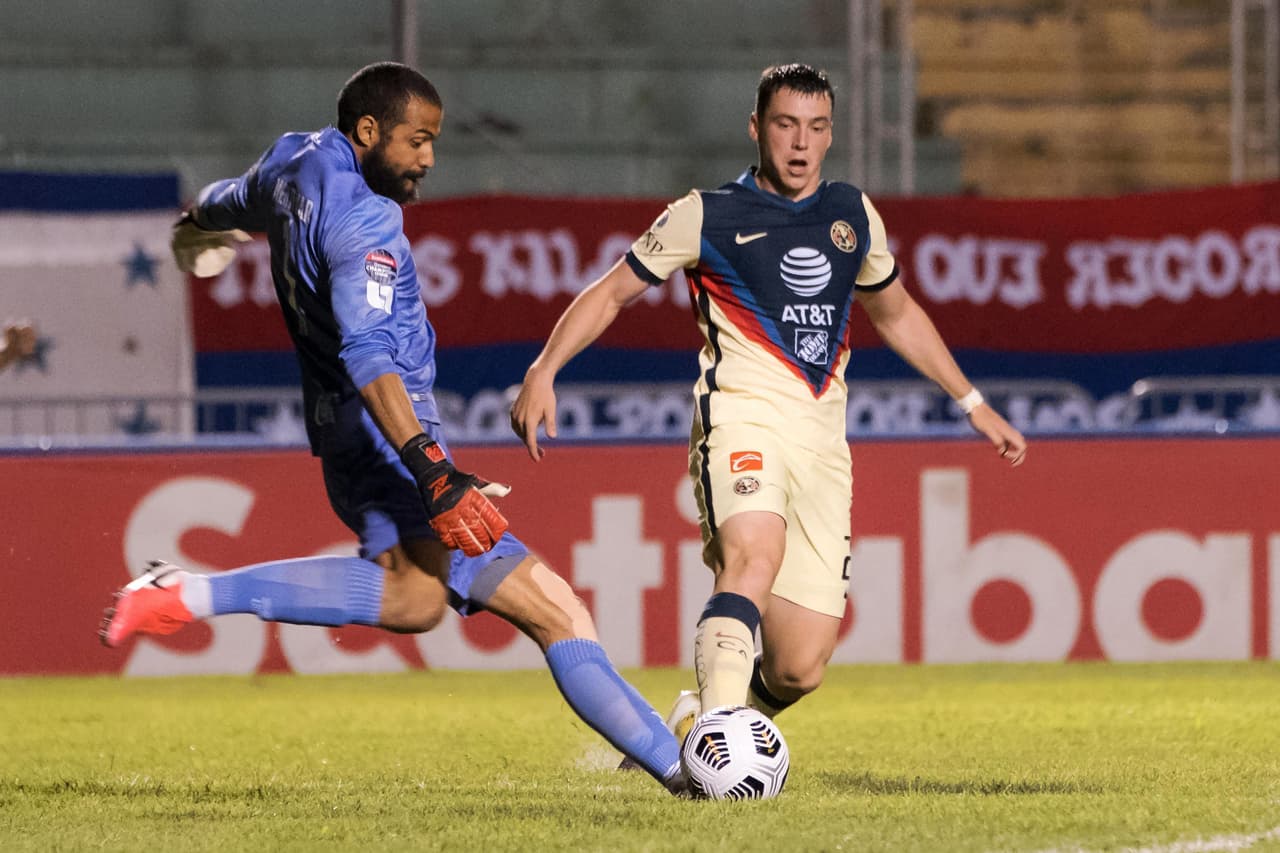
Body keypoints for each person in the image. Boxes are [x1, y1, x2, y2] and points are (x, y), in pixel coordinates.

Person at [99, 61, 685, 795]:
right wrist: (432, 468)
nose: (428, 159)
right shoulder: (367, 221)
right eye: (417, 141)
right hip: (388, 434)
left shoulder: (292, 159)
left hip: (343, 435)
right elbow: (369, 352)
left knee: (417, 600)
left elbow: (231, 199)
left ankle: (185, 595)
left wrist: (199, 222)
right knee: (552, 608)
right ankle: (686, 771)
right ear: (369, 131)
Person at [510, 63, 1028, 738]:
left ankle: (701, 717)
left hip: (822, 442)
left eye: (815, 128)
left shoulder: (851, 213)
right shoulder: (706, 214)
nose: (800, 143)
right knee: (751, 556)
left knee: (799, 667)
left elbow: (896, 313)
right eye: (785, 125)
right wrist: (545, 367)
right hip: (741, 416)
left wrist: (972, 400)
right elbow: (612, 290)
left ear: (831, 135)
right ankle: (720, 745)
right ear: (757, 128)